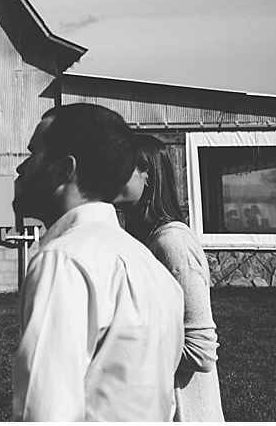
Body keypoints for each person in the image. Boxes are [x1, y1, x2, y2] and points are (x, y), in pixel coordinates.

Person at [11, 103, 185, 421]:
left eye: (33, 153)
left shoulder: (63, 261)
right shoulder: (154, 271)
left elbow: (45, 410)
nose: (21, 168)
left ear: (64, 170)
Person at [114, 135, 224, 421]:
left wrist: (121, 347)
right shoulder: (144, 241)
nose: (109, 175)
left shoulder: (172, 243)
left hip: (184, 412)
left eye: (121, 167)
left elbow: (201, 352)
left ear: (148, 174)